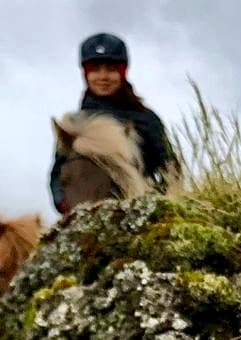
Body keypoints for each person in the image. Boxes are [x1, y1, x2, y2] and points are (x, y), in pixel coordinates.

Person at [47, 33, 180, 212]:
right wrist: (64, 205)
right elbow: (57, 174)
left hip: (133, 213)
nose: (103, 77)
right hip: (80, 217)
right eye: (95, 69)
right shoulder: (73, 124)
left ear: (123, 72)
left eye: (111, 69)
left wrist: (157, 207)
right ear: (86, 74)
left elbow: (169, 168)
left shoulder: (145, 119)